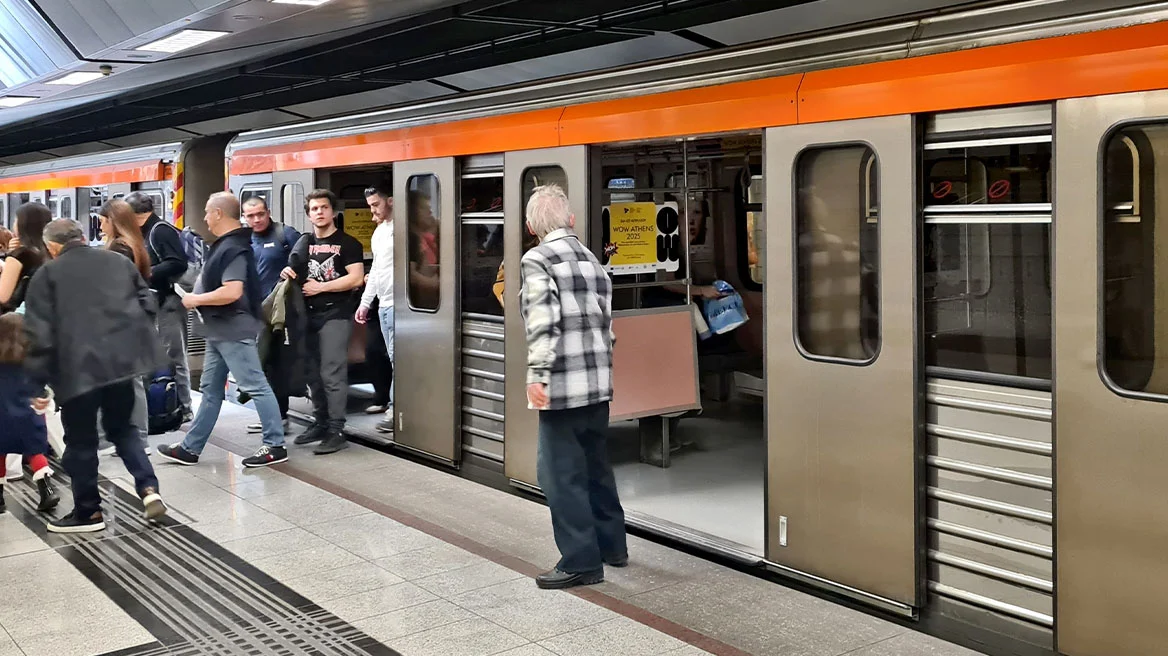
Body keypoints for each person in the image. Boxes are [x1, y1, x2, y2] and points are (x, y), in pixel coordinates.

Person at [23, 219, 166, 533]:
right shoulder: (118, 262)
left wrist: (36, 386)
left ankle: (88, 512)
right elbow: (147, 303)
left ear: (52, 246)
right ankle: (148, 488)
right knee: (124, 430)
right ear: (82, 237)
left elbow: (38, 335)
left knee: (81, 442)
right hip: (120, 366)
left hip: (76, 372)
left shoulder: (47, 275)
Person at [519, 184, 626, 590]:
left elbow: (543, 322)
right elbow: (607, 326)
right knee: (597, 468)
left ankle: (581, 561)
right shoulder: (592, 260)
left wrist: (537, 374)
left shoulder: (537, 259)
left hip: (562, 387)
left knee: (559, 476)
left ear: (531, 227)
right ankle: (613, 547)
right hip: (597, 385)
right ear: (572, 220)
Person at [158, 193, 287, 468]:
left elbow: (232, 291)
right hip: (219, 329)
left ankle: (275, 444)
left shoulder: (233, 249)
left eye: (207, 212)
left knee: (255, 385)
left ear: (218, 213)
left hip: (232, 328)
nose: (205, 217)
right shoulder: (227, 245)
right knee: (210, 390)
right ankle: (190, 448)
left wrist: (196, 299)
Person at [281, 190, 363, 454]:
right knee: (312, 372)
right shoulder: (304, 243)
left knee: (332, 372)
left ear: (333, 211)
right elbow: (295, 271)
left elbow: (355, 278)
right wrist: (287, 273)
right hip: (307, 316)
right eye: (314, 209)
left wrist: (321, 287)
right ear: (308, 214)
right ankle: (320, 422)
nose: (319, 212)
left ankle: (337, 430)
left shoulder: (348, 243)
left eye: (324, 207)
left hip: (336, 314)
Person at [126, 191, 192, 423]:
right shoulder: (144, 231)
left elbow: (177, 262)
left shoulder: (160, 230)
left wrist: (146, 272)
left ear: (135, 214)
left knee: (174, 354)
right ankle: (163, 403)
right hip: (158, 301)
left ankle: (184, 407)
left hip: (170, 302)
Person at [98, 199, 155, 456]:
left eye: (103, 222)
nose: (101, 227)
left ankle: (130, 439)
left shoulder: (118, 248)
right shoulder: (134, 245)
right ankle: (134, 438)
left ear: (114, 221)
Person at [243, 197, 299, 435]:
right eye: (251, 216)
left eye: (260, 214)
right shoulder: (245, 240)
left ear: (268, 212)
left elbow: (304, 261)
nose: (256, 219)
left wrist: (292, 270)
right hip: (254, 312)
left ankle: (280, 417)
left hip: (280, 313)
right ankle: (271, 416)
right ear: (244, 217)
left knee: (277, 365)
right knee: (261, 365)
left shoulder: (285, 235)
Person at [0, 314, 59, 514]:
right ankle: (47, 490)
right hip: (29, 415)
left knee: (0, 453)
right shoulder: (32, 361)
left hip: (2, 417)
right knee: (35, 453)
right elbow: (43, 386)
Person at [355, 186, 394, 433]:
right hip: (384, 305)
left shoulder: (403, 230)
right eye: (370, 205)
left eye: (376, 204)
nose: (373, 211)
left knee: (398, 360)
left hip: (399, 304)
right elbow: (377, 270)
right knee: (389, 357)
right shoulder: (379, 232)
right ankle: (390, 404)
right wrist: (365, 302)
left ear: (391, 201)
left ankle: (394, 410)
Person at [0, 202, 51, 312]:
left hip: (17, 316)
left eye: (15, 220)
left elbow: (3, 296)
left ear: (22, 224)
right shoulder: (51, 252)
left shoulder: (19, 255)